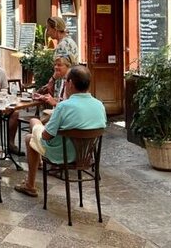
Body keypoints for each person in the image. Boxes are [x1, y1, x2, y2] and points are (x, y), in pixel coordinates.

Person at [14, 65, 107, 197]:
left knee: (31, 135)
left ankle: (30, 184)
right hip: (85, 156)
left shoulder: (64, 106)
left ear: (70, 83)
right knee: (36, 128)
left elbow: (46, 136)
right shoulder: (99, 105)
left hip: (62, 155)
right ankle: (36, 168)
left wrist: (39, 125)